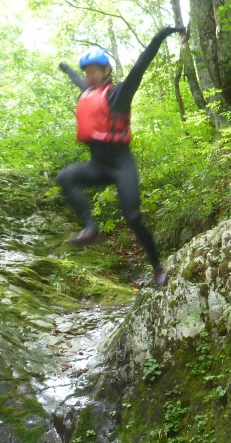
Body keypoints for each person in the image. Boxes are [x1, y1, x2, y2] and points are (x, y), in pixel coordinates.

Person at [57, 26, 184, 287]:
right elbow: (78, 82)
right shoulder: (87, 92)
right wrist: (67, 69)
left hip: (121, 166)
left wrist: (161, 35)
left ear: (106, 71)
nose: (89, 76)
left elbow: (140, 65)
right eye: (87, 71)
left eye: (94, 70)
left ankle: (157, 268)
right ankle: (90, 228)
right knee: (65, 177)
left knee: (133, 217)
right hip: (98, 166)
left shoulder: (118, 94)